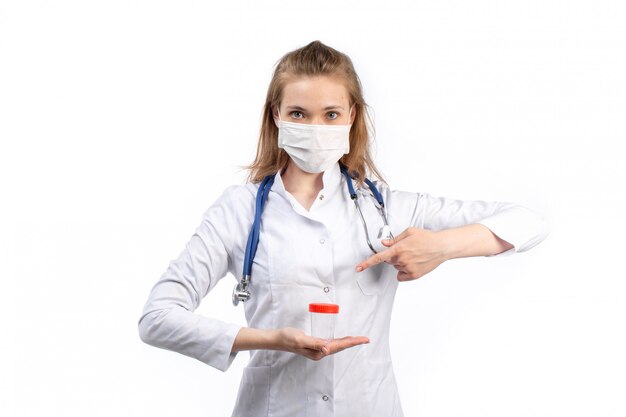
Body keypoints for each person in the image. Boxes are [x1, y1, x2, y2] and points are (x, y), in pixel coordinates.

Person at [138, 40, 549, 417]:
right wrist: (269, 339)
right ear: (276, 115)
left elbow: (529, 223)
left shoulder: (389, 208)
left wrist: (442, 246)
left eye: (330, 114)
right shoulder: (239, 211)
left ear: (351, 117)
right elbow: (158, 317)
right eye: (299, 114)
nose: (316, 128)